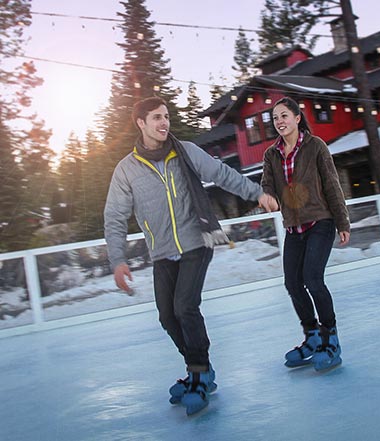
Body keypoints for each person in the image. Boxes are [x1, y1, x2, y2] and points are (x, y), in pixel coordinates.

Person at [104, 96, 278, 415]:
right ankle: (199, 369)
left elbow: (223, 174)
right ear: (140, 123)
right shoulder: (127, 169)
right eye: (156, 118)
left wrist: (258, 193)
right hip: (162, 251)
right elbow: (114, 215)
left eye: (166, 117)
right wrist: (117, 260)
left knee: (185, 306)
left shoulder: (185, 152)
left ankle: (199, 374)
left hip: (197, 241)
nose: (163, 123)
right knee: (167, 316)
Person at [261, 97, 351, 372]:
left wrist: (342, 221)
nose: (280, 121)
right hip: (293, 227)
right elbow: (267, 182)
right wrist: (267, 195)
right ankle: (311, 336)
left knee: (313, 279)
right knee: (292, 283)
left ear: (298, 118)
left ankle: (330, 338)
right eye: (275, 118)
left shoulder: (315, 146)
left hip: (320, 221)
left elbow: (332, 183)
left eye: (284, 115)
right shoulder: (271, 154)